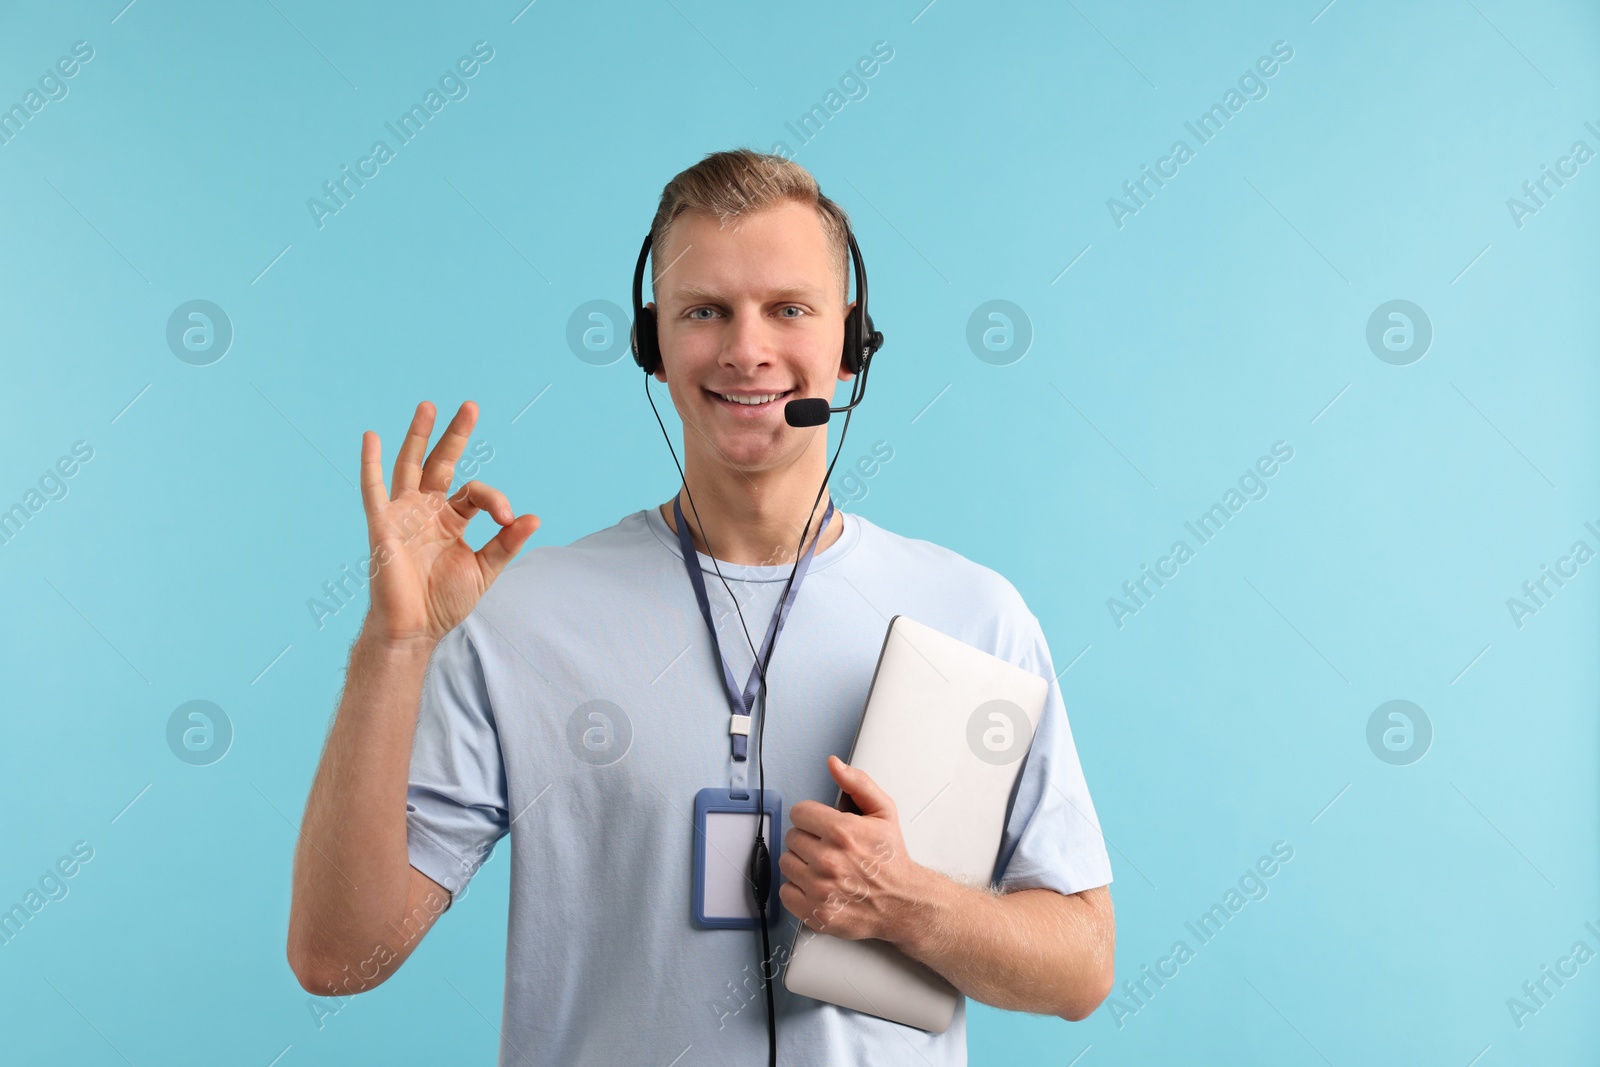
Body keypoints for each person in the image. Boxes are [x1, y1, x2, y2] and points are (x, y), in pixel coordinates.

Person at [287, 148, 1114, 1065]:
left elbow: (1081, 966)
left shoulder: (973, 614)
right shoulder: (522, 616)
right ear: (654, 346)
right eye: (705, 311)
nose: (746, 349)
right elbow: (337, 958)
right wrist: (394, 644)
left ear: (852, 341)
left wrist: (914, 904)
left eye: (788, 309)